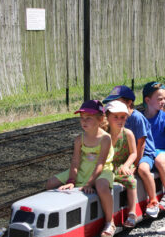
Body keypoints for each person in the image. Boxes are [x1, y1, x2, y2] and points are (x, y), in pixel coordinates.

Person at [46, 100, 116, 237]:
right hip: (83, 168)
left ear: (100, 119)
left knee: (101, 186)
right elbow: (75, 162)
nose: (84, 121)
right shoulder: (79, 139)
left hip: (102, 170)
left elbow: (101, 164)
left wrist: (90, 183)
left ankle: (110, 221)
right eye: (82, 118)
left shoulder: (105, 138)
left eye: (88, 118)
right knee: (50, 183)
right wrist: (71, 180)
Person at [103, 86, 159, 218]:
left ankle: (153, 200)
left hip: (145, 153)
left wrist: (134, 164)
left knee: (143, 170)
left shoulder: (136, 118)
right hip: (130, 152)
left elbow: (142, 144)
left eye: (118, 101)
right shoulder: (116, 120)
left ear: (129, 102)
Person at [142, 81, 165, 211]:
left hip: (162, 151)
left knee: (159, 160)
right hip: (147, 152)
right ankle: (152, 200)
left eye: (164, 99)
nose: (163, 101)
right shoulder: (141, 118)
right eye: (160, 99)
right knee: (142, 168)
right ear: (148, 100)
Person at [104, 100, 138, 228]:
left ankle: (132, 212)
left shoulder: (128, 134)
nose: (120, 120)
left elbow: (133, 153)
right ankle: (108, 217)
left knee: (131, 181)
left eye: (123, 117)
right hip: (108, 166)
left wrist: (126, 165)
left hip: (122, 165)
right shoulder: (103, 134)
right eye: (115, 117)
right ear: (107, 117)